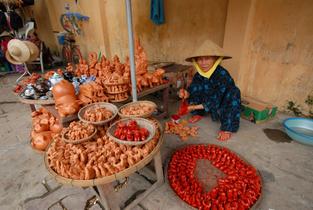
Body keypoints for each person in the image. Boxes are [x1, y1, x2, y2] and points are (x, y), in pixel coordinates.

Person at [179, 40, 241, 141]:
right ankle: (199, 113)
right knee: (196, 87)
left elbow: (215, 100)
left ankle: (227, 128)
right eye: (200, 59)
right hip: (209, 101)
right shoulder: (199, 74)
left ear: (215, 59)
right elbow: (193, 90)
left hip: (222, 103)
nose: (203, 63)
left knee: (234, 92)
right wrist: (186, 93)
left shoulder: (222, 75)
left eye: (207, 59)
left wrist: (191, 107)